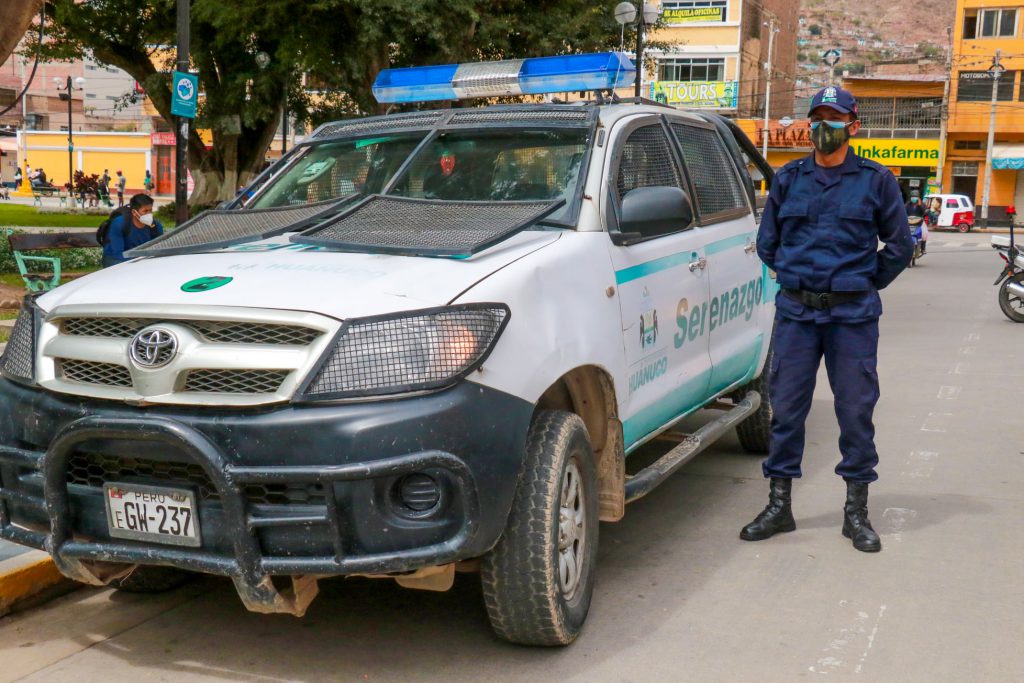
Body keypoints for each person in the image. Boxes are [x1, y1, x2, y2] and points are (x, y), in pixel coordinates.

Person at [742, 86, 913, 553]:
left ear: (853, 127)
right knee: (786, 410)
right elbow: (767, 243)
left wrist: (860, 282)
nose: (824, 128)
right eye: (817, 118)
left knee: (855, 410)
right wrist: (796, 279)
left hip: (852, 316)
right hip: (797, 313)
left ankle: (855, 512)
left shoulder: (876, 181)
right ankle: (779, 507)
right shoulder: (788, 178)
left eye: (834, 119)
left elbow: (898, 248)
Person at [100, 193, 164, 267]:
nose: (149, 214)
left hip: (141, 259)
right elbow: (118, 253)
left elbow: (159, 250)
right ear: (134, 212)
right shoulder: (119, 224)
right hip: (114, 259)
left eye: (150, 210)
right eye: (145, 211)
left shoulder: (155, 226)